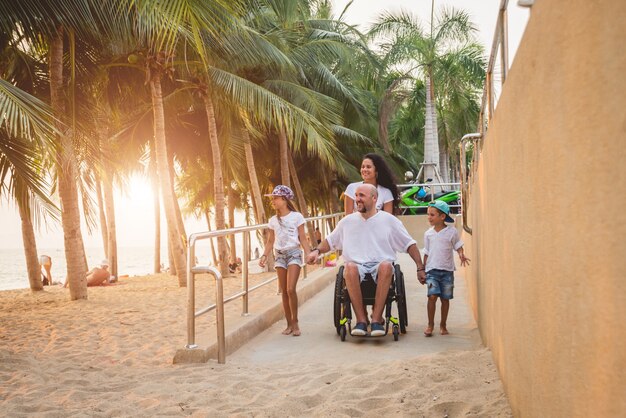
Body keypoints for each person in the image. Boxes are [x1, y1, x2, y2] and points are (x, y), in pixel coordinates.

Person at [307, 184, 426, 336]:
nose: (357, 199)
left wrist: (420, 267)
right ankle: (361, 320)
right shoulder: (347, 222)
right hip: (356, 267)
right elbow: (330, 241)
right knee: (349, 267)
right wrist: (316, 251)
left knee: (386, 266)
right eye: (356, 196)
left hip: (381, 266)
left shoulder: (389, 221)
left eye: (361, 196)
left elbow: (409, 244)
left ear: (374, 198)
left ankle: (376, 320)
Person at [259, 185, 312, 337]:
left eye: (275, 198)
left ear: (284, 199)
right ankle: (288, 324)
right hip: (279, 255)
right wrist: (264, 255)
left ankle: (295, 323)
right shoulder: (273, 220)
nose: (273, 201)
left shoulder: (297, 217)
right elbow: (270, 241)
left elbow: (302, 237)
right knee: (283, 291)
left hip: (294, 253)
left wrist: (308, 254)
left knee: (290, 289)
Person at [421, 201, 471, 337]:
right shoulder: (428, 234)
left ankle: (443, 325)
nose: (429, 217)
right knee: (432, 297)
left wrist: (461, 254)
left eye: (432, 215)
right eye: (428, 215)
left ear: (442, 217)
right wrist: (422, 269)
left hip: (447, 272)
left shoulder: (452, 232)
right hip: (432, 271)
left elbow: (458, 245)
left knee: (445, 299)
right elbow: (426, 252)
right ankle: (430, 325)